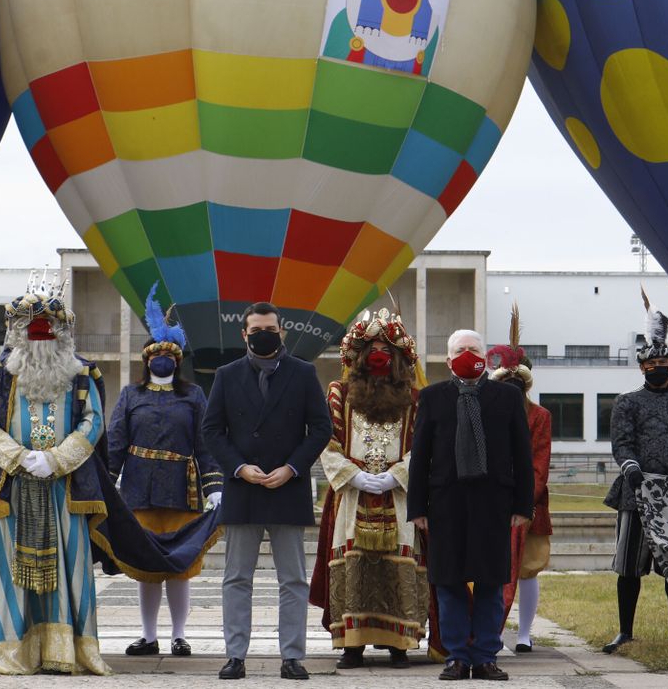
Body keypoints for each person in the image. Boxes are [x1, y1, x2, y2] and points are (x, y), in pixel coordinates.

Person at [0, 281, 110, 675]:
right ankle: (14, 651)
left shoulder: (82, 372)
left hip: (66, 487)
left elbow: (94, 420)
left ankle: (67, 650)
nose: (41, 333)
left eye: (49, 326)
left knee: (71, 568)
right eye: (32, 327)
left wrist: (57, 459)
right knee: (9, 568)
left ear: (63, 332)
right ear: (17, 333)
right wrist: (18, 457)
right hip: (11, 486)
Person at [202, 302, 331, 681]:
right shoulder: (226, 375)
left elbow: (320, 429)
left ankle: (292, 656)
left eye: (270, 329)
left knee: (292, 579)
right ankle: (235, 655)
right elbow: (211, 431)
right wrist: (240, 467)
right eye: (256, 329)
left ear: (281, 332)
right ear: (244, 334)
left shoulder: (304, 373)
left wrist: (292, 468)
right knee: (236, 577)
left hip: (287, 487)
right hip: (243, 487)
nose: (263, 334)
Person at [407, 329, 534, 682]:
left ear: (485, 357)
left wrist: (524, 504)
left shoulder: (506, 397)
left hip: (494, 502)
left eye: (474, 349)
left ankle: (486, 656)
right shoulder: (432, 397)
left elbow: (522, 456)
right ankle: (458, 657)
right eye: (460, 350)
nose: (467, 354)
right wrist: (417, 507)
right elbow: (421, 456)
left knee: (491, 582)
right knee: (448, 583)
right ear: (448, 360)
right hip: (445, 503)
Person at [309, 307, 432, 668]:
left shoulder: (416, 399)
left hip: (400, 496)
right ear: (356, 359)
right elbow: (326, 442)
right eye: (370, 351)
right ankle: (352, 645)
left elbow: (423, 446)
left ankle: (399, 643)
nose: (378, 358)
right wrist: (355, 476)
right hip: (351, 495)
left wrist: (399, 475)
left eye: (387, 352)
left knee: (399, 565)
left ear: (399, 360)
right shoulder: (338, 393)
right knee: (355, 566)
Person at [108, 285, 224, 659]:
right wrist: (107, 482)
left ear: (177, 360)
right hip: (139, 489)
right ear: (147, 359)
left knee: (179, 565)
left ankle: (178, 635)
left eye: (169, 355)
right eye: (156, 354)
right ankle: (148, 635)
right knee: (146, 567)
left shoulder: (193, 396)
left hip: (181, 489)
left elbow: (204, 444)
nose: (162, 360)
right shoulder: (130, 395)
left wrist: (214, 486)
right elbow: (115, 441)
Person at [601, 292, 668, 654]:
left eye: (664, 361)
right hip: (637, 493)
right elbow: (622, 442)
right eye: (652, 362)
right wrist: (630, 467)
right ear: (642, 367)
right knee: (629, 566)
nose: (658, 365)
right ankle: (625, 631)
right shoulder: (627, 403)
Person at [485, 305, 551, 655]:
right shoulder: (487, 412)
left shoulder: (540, 416)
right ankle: (491, 630)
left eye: (516, 384)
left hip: (530, 503)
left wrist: (524, 499)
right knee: (494, 569)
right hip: (494, 502)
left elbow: (540, 461)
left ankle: (524, 633)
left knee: (527, 571)